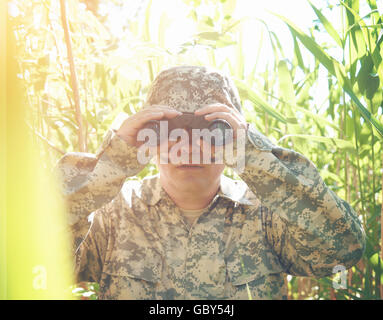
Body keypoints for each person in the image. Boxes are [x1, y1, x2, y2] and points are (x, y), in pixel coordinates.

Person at [57, 65, 365, 299]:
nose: (189, 146)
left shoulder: (267, 215)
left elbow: (341, 250)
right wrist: (113, 162)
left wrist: (254, 154)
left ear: (236, 140)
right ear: (147, 138)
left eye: (211, 131)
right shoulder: (112, 215)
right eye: (169, 130)